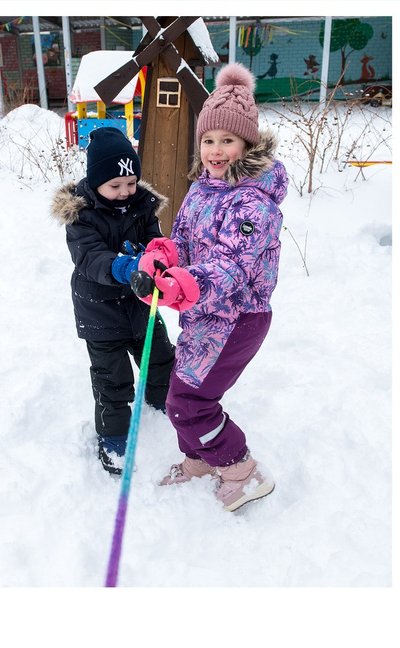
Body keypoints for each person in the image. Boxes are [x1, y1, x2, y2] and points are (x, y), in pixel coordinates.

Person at [128, 64, 285, 512]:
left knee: (190, 401)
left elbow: (231, 267)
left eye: (227, 140)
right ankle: (199, 459)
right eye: (208, 140)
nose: (216, 150)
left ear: (247, 144)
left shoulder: (254, 203)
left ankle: (242, 470)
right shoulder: (203, 189)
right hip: (202, 313)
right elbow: (184, 241)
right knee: (181, 388)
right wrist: (163, 258)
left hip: (237, 318)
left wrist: (182, 284)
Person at [55, 127, 174, 476]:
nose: (125, 192)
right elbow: (90, 258)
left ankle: (162, 401)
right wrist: (125, 266)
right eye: (115, 185)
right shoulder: (81, 216)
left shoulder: (141, 205)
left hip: (140, 305)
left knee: (161, 357)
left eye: (131, 183)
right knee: (113, 380)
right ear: (96, 183)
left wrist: (158, 257)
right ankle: (113, 438)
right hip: (100, 312)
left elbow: (153, 240)